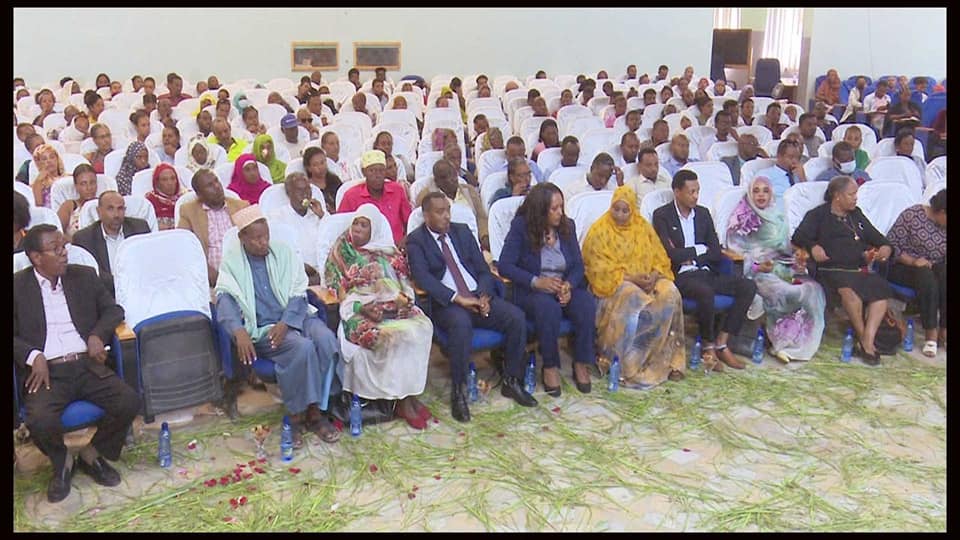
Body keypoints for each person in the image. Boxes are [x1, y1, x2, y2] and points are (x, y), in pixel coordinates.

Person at [14, 225, 141, 504]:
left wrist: (97, 335)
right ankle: (62, 462)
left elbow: (114, 310)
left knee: (129, 401)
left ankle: (91, 453)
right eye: (55, 249)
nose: (64, 253)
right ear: (36, 257)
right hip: (47, 372)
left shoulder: (84, 276)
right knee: (39, 420)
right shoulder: (17, 286)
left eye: (64, 246)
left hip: (86, 365)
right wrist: (33, 355)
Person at [215, 205, 342, 446]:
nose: (263, 242)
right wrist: (238, 331)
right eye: (256, 238)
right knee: (302, 348)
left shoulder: (283, 252)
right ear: (242, 238)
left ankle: (319, 408)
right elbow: (224, 299)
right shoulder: (232, 263)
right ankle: (298, 416)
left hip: (297, 317)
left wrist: (287, 322)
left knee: (326, 340)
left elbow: (298, 291)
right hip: (264, 327)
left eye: (266, 236)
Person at [407, 193, 536, 420]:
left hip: (477, 296)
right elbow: (423, 278)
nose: (447, 216)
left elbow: (482, 270)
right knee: (461, 324)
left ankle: (511, 380)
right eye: (440, 212)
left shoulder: (462, 231)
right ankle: (458, 391)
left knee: (516, 317)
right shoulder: (416, 240)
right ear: (426, 216)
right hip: (447, 304)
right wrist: (457, 298)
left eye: (448, 210)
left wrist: (483, 295)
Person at [323, 204, 434, 428]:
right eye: (355, 223)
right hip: (358, 310)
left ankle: (409, 394)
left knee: (423, 326)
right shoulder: (341, 250)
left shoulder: (389, 251)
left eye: (364, 225)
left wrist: (404, 301)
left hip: (392, 305)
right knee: (389, 335)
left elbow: (404, 283)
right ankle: (401, 401)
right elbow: (336, 288)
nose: (357, 229)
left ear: (374, 229)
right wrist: (361, 307)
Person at [652, 170, 758, 371]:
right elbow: (671, 254)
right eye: (691, 192)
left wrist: (693, 255)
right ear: (677, 192)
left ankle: (722, 343)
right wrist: (700, 249)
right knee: (705, 292)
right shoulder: (662, 216)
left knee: (748, 286)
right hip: (680, 276)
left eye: (697, 191)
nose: (695, 196)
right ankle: (708, 347)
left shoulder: (703, 214)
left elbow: (716, 251)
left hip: (706, 272)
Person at [582, 185, 686, 387]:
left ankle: (669, 361)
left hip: (647, 279)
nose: (620, 215)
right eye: (616, 209)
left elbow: (660, 258)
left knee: (670, 292)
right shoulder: (599, 231)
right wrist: (632, 279)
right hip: (615, 286)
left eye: (625, 210)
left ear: (633, 210)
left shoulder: (642, 227)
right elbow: (598, 270)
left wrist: (654, 275)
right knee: (635, 299)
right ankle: (628, 366)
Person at [498, 183, 596, 394]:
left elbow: (578, 266)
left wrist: (568, 285)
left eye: (561, 207)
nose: (560, 212)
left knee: (586, 303)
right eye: (554, 209)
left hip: (562, 285)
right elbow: (505, 266)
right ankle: (550, 365)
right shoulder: (521, 227)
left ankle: (581, 362)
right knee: (548, 308)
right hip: (531, 290)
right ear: (540, 210)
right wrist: (537, 281)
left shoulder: (567, 226)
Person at [791, 176, 894, 365]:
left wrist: (885, 248)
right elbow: (797, 238)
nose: (856, 198)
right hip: (831, 270)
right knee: (849, 292)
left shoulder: (856, 215)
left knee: (880, 291)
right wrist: (813, 246)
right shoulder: (818, 215)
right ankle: (865, 342)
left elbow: (878, 238)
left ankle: (867, 340)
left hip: (857, 269)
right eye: (851, 194)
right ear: (837, 196)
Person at [725, 176, 826, 362]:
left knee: (813, 289)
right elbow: (735, 253)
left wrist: (797, 257)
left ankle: (795, 343)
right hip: (756, 272)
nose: (761, 195)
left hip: (781, 266)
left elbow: (785, 248)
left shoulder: (778, 215)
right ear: (749, 193)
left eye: (765, 191)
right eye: (756, 191)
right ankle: (780, 342)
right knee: (788, 291)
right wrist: (758, 266)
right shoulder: (742, 218)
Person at [885, 189, 947, 357]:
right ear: (942, 212)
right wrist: (913, 261)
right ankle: (931, 333)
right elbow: (891, 246)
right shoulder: (912, 216)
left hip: (934, 266)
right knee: (926, 276)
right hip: (903, 265)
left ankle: (944, 329)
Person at [178, 169, 249, 287]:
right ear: (199, 195)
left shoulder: (241, 206)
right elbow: (184, 249)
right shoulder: (189, 212)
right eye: (209, 185)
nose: (217, 187)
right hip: (209, 279)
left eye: (216, 181)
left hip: (244, 273)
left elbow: (256, 238)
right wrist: (206, 271)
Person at [72, 191, 151, 294]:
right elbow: (91, 274)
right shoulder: (84, 238)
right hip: (104, 294)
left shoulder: (140, 228)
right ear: (99, 211)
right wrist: (121, 284)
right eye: (110, 209)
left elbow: (148, 262)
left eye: (120, 208)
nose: (116, 215)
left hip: (139, 290)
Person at [337, 150, 412, 245]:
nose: (377, 175)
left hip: (396, 248)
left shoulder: (397, 190)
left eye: (381, 170)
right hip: (362, 250)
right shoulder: (351, 196)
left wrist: (405, 241)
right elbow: (340, 229)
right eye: (372, 171)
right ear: (364, 172)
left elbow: (410, 222)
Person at [265, 172, 326, 284]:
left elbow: (334, 240)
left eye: (308, 189)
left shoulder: (319, 213)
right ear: (289, 193)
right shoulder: (277, 218)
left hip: (325, 271)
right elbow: (278, 252)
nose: (305, 195)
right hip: (296, 274)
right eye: (300, 190)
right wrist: (303, 268)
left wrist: (322, 216)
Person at [416, 159, 489, 248]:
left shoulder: (469, 191)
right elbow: (423, 225)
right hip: (444, 244)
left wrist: (484, 236)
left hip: (473, 241)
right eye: (445, 177)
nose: (452, 179)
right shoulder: (426, 196)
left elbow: (481, 218)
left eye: (453, 174)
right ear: (436, 181)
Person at [755, 139, 806, 206]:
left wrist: (803, 178)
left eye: (798, 158)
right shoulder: (764, 175)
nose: (795, 161)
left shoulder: (799, 175)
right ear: (779, 156)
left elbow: (808, 199)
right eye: (791, 157)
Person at [57, 164, 98, 239]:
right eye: (83, 184)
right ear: (76, 186)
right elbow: (57, 233)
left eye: (92, 182)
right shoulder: (69, 206)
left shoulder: (103, 204)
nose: (89, 188)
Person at [302, 147, 342, 214]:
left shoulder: (335, 180)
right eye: (315, 165)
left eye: (322, 162)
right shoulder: (308, 187)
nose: (321, 167)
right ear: (308, 168)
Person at [144, 163, 183, 230]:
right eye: (164, 179)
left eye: (173, 178)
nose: (170, 183)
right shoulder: (149, 201)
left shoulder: (185, 198)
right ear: (157, 183)